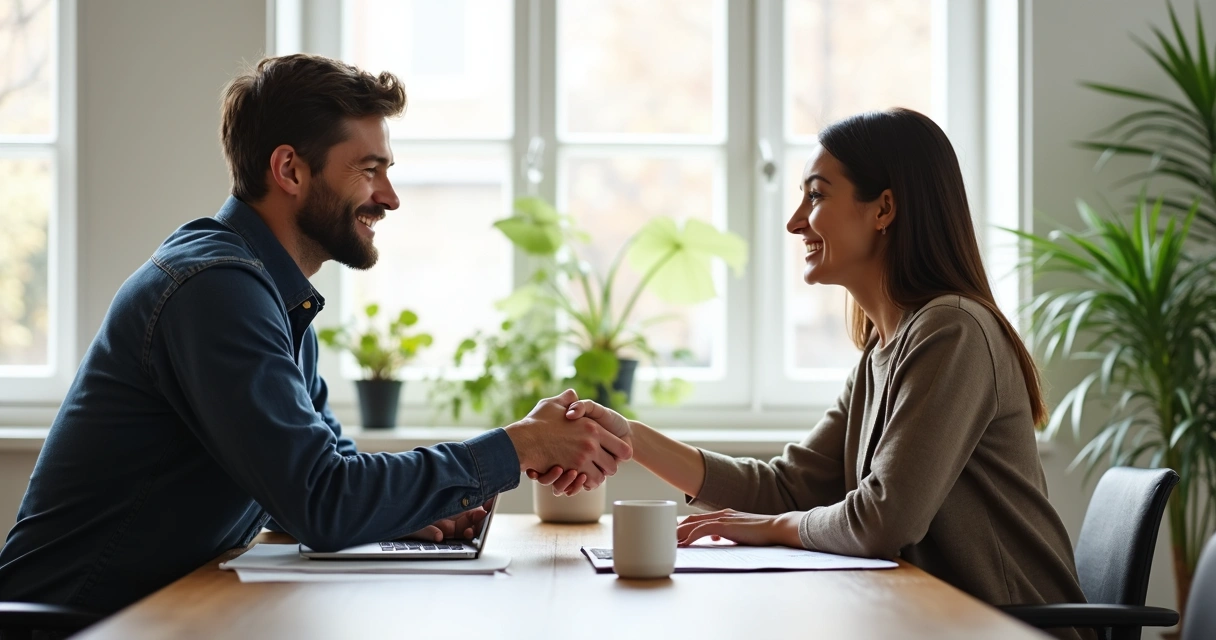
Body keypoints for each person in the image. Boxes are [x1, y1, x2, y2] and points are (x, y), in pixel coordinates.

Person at [0, 54, 627, 615]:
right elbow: (322, 502)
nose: (390, 197)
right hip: (78, 624)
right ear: (289, 171)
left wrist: (409, 510)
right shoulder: (215, 289)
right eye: (370, 170)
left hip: (161, 612)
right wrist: (515, 447)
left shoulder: (272, 296)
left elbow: (322, 476)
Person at [535, 109, 1091, 638]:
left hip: (1007, 629)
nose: (795, 220)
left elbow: (883, 522)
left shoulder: (953, 332)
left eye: (817, 195)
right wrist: (629, 438)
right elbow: (786, 487)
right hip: (933, 621)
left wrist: (773, 528)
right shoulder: (883, 351)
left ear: (884, 208)